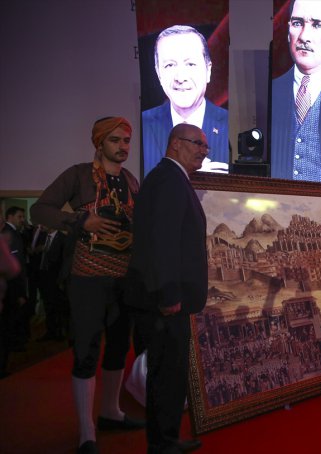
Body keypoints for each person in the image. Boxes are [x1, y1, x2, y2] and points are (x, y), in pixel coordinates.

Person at [31, 117, 144, 454]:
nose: (122, 146)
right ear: (99, 143)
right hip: (87, 278)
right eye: (115, 140)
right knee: (86, 351)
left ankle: (111, 412)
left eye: (126, 140)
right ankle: (86, 431)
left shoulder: (131, 180)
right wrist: (81, 219)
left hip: (124, 279)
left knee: (118, 346)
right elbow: (40, 210)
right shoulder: (78, 175)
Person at [126, 123, 208, 453]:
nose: (203, 150)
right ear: (175, 144)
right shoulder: (168, 180)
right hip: (165, 301)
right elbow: (162, 242)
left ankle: (166, 439)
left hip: (167, 298)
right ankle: (162, 444)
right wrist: (169, 293)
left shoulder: (171, 178)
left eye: (205, 146)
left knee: (170, 372)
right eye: (197, 143)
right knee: (166, 373)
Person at [271, 0, 321, 183]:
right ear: (288, 31)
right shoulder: (268, 95)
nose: (304, 36)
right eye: (297, 23)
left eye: (317, 25)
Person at [142, 25, 229, 177]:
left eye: (190, 64)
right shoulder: (142, 124)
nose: (180, 78)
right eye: (169, 65)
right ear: (158, 73)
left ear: (208, 70)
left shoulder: (230, 124)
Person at [0, 207, 27, 378]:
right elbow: (14, 267)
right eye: (20, 216)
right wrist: (20, 292)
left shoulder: (11, 234)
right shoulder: (8, 236)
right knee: (4, 330)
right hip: (7, 291)